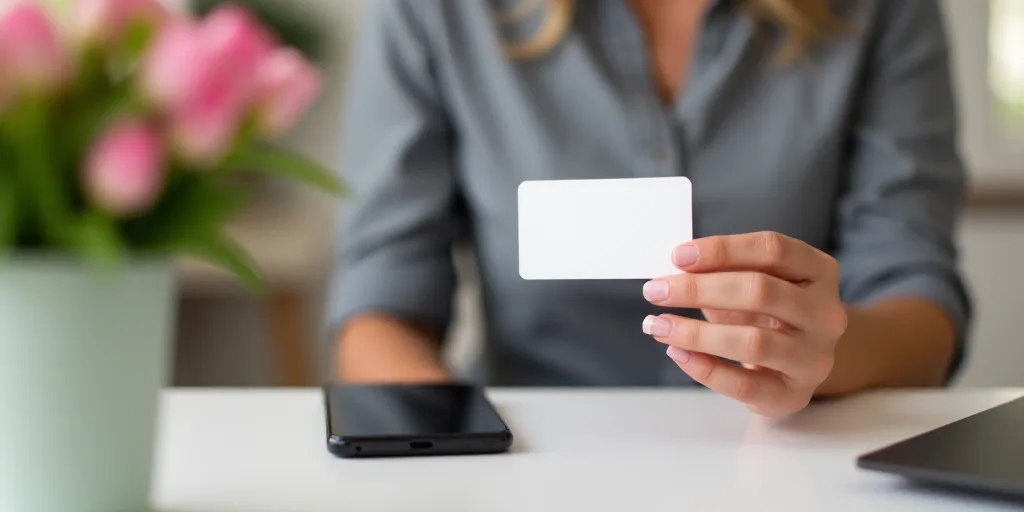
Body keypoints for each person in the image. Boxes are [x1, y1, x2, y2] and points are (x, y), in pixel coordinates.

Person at [328, 0, 971, 418]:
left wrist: (828, 353)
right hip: (531, 451)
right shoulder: (434, 12)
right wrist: (458, 440)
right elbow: (379, 302)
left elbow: (916, 297)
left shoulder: (883, 10)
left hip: (794, 455)